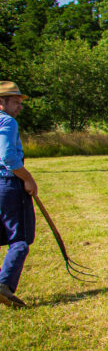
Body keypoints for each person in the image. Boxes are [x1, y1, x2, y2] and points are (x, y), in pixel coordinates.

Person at [0, 81, 35, 308]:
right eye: (15, 102)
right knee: (20, 238)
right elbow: (8, 158)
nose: (19, 107)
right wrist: (28, 178)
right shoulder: (7, 122)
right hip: (8, 183)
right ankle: (4, 285)